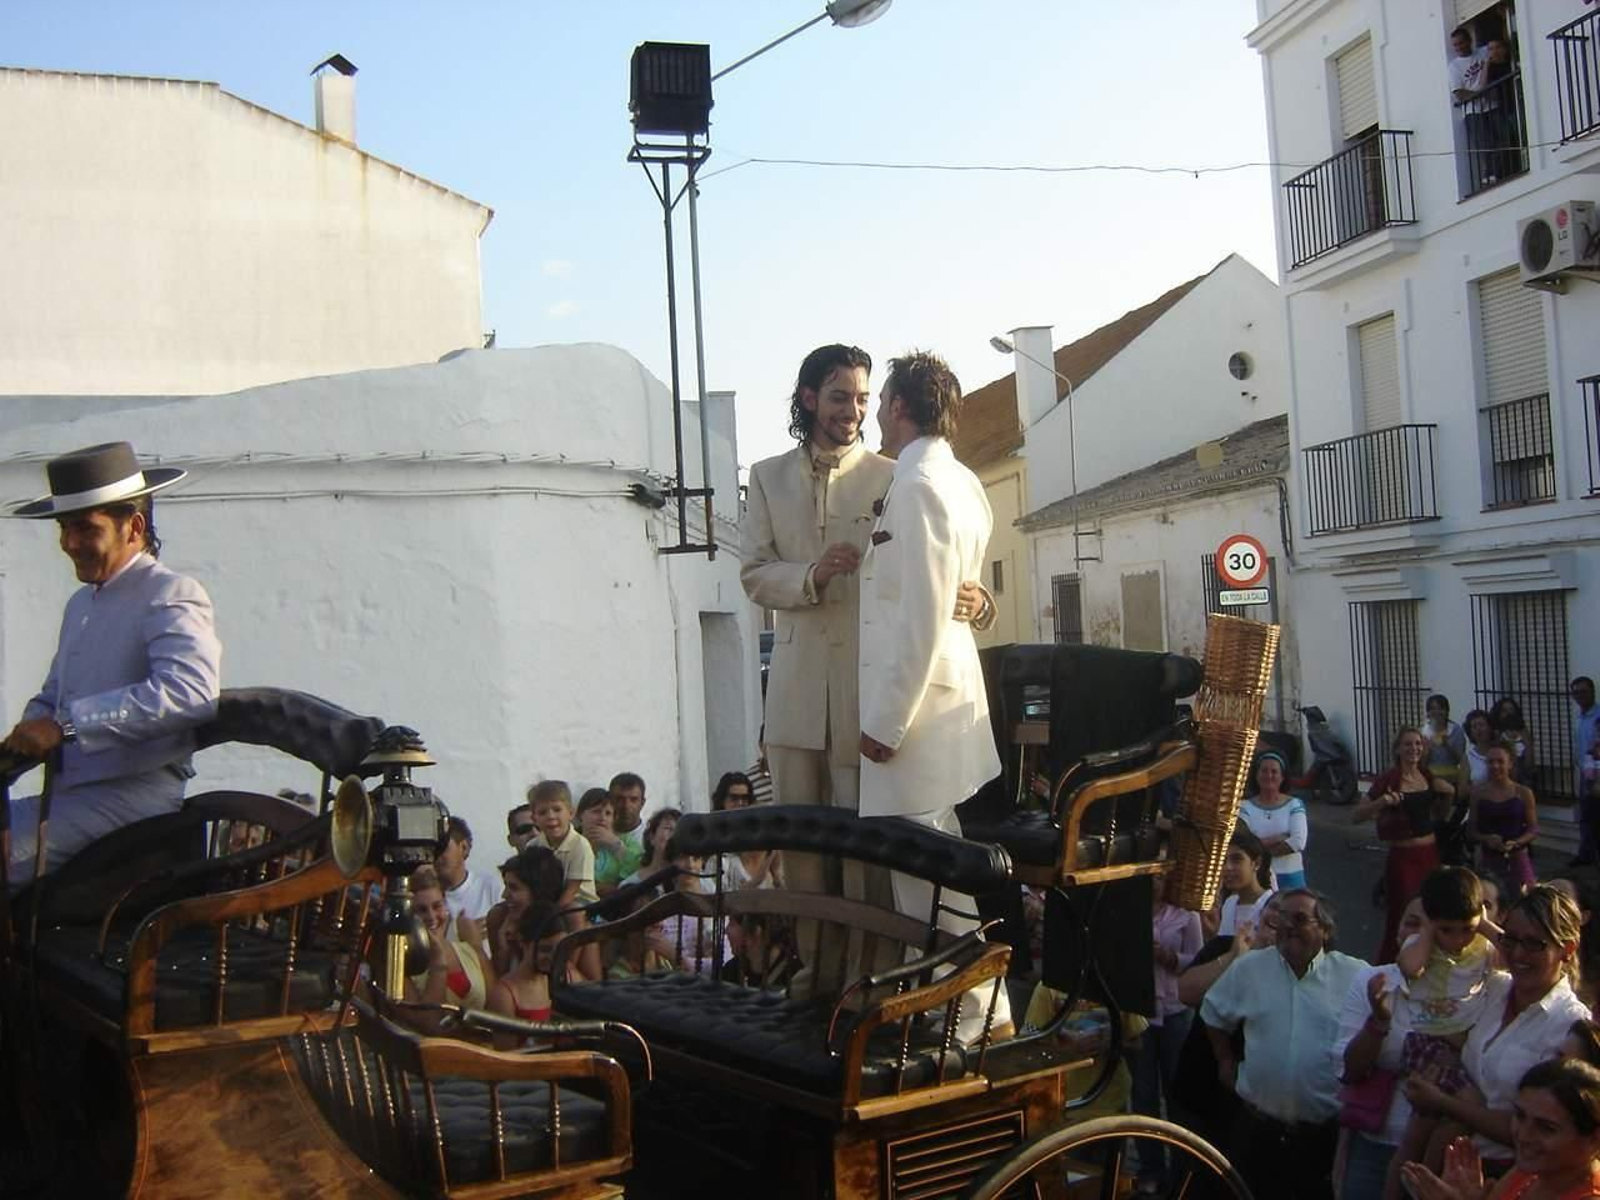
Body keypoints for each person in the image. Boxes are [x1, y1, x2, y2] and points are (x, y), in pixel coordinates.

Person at [739, 344, 989, 995]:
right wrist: (811, 575)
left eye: (861, 397)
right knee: (803, 851)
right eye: (839, 397)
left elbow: (944, 574)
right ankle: (816, 981)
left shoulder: (898, 474)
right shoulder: (765, 477)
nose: (852, 410)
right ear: (807, 399)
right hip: (795, 696)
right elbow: (753, 574)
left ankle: (869, 983)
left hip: (868, 695)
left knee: (868, 854)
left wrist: (980, 600)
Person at [856, 350, 1012, 1045]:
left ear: (897, 406)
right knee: (931, 861)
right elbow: (960, 592)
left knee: (925, 869)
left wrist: (887, 721)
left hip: (920, 710)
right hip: (942, 698)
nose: (875, 416)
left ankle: (973, 1011)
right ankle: (970, 1006)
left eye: (881, 402)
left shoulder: (919, 484)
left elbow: (922, 613)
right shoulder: (962, 479)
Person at [2, 441, 223, 885]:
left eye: (85, 528)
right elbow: (54, 695)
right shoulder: (81, 604)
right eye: (64, 528)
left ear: (133, 526)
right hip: (70, 798)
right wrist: (24, 736)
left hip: (131, 801)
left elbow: (190, 693)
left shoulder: (171, 592)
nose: (69, 543)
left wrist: (65, 727)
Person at [1402, 886, 1590, 1176]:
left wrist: (1445, 1104)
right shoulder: (1491, 987)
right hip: (1445, 1160)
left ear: (1567, 950)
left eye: (1534, 944)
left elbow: (1544, 1130)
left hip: (1507, 1175)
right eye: (1510, 939)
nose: (1518, 953)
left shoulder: (1571, 1026)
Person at [1201, 889, 1370, 1200]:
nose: (1289, 926)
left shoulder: (1354, 975)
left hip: (1321, 1137)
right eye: (1282, 919)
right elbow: (1212, 1012)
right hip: (1258, 1130)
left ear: (1325, 929)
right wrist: (1224, 1060)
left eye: (1300, 919)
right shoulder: (1251, 968)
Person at [1383, 868, 1500, 1200]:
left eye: (1467, 929)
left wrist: (1484, 925)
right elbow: (1410, 967)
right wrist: (1429, 931)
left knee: (1438, 1121)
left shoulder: (1481, 947)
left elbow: (1509, 953)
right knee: (1466, 1108)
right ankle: (1420, 1182)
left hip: (1459, 1042)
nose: (1459, 939)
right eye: (1448, 930)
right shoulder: (1421, 945)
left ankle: (1422, 1178)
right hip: (1427, 1040)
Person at [1335, 896, 1430, 1199]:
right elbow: (1347, 1070)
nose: (1420, 936)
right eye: (1412, 924)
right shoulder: (1372, 980)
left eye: (1433, 928)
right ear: (1398, 931)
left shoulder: (1473, 991)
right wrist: (1378, 1022)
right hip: (1373, 1142)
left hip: (1436, 1152)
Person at [1400, 1059, 1600, 1200]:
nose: (1524, 1136)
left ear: (1594, 1139)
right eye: (1520, 1116)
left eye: (1547, 1128)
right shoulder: (1531, 1171)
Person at [1355, 726, 1458, 963]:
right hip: (1403, 859)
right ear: (1398, 749)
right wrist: (1382, 802)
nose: (1414, 749)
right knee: (1403, 915)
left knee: (1433, 911)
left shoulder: (1427, 777)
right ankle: (1394, 964)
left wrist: (1449, 795)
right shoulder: (1389, 779)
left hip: (1429, 855)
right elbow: (1357, 815)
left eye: (1418, 744)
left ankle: (1428, 962)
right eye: (1408, 744)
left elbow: (1439, 816)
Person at [1132, 872, 1203, 1192]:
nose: (1155, 884)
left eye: (1161, 878)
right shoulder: (1129, 913)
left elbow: (1197, 961)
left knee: (1178, 1093)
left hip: (1176, 1011)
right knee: (1143, 1093)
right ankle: (1151, 1168)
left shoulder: (1186, 916)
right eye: (1150, 877)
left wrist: (1168, 957)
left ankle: (1183, 1170)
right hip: (1141, 1013)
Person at [528, 780, 601, 981]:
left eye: (557, 809)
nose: (551, 816)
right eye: (543, 812)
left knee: (575, 915)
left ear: (571, 812)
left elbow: (572, 889)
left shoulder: (580, 845)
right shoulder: (533, 846)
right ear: (534, 818)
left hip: (583, 904)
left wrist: (550, 913)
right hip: (548, 901)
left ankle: (567, 963)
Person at [405, 865, 494, 1018]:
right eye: (422, 910)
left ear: (446, 907)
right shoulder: (403, 964)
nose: (431, 916)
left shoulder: (469, 950)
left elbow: (496, 1008)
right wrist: (438, 962)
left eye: (437, 906)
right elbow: (429, 1022)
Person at [487, 902, 563, 1050]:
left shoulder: (568, 978)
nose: (553, 958)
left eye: (559, 949)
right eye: (545, 949)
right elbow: (506, 1056)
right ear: (523, 942)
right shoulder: (504, 995)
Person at [1470, 743, 1540, 891]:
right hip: (1488, 861)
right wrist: (1486, 838)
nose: (1495, 766)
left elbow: (1533, 829)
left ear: (1510, 764)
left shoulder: (1523, 792)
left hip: (1517, 858)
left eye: (1500, 761)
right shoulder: (1477, 794)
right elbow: (1471, 831)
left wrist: (1516, 842)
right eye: (1490, 762)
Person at [486, 848, 563, 976]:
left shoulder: (567, 920)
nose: (504, 895)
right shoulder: (499, 917)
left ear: (538, 890)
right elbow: (496, 979)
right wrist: (504, 949)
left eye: (514, 888)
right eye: (505, 886)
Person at [1239, 750, 1310, 889]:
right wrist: (1278, 838)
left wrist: (1259, 852)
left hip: (1290, 878)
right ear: (1256, 775)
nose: (1269, 775)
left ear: (1282, 777)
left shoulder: (1294, 804)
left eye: (1274, 771)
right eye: (1264, 771)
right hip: (1257, 879)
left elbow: (1298, 842)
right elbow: (1244, 845)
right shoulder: (1244, 807)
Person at [711, 771, 782, 892]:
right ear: (722, 801)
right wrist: (758, 879)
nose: (740, 804)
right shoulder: (717, 851)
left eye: (745, 798)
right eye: (734, 798)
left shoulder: (769, 847)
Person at [433, 816, 500, 940]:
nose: (436, 856)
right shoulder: (423, 896)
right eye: (432, 848)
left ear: (464, 847)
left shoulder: (490, 887)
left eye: (442, 848)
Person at [583, 772, 646, 886]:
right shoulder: (583, 834)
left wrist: (615, 844)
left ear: (642, 803)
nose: (626, 806)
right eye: (619, 799)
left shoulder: (650, 837)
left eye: (633, 800)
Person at [1449, 26, 1493, 186]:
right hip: (1473, 112)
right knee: (1485, 144)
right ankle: (1489, 175)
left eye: (1461, 43)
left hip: (1493, 105)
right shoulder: (1454, 67)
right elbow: (1459, 94)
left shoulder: (1483, 53)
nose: (1458, 47)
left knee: (1500, 139)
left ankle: (1500, 170)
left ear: (1469, 41)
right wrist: (1480, 93)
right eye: (1455, 45)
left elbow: (1497, 52)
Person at [1570, 678, 1599, 868]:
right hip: (1585, 773)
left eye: (1583, 691)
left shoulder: (1598, 716)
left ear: (1592, 692)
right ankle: (1586, 854)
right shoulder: (1579, 717)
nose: (1580, 696)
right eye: (1576, 693)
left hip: (1597, 774)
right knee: (1586, 816)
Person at [1428, 695, 1471, 790]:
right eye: (1433, 708)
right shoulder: (1424, 731)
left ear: (1447, 711)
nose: (1437, 712)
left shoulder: (1456, 730)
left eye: (1441, 708)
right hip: (1430, 779)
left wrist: (1448, 745)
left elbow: (1461, 758)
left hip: (1452, 778)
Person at [1491, 699, 1536, 785]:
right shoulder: (1496, 732)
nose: (1509, 713)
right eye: (1504, 710)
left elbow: (1529, 748)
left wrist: (1528, 769)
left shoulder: (1522, 730)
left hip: (1522, 769)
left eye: (1511, 709)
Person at [1467, 711, 1500, 788]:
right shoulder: (1468, 757)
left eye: (1481, 725)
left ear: (1490, 728)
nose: (1478, 729)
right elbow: (1463, 788)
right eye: (1474, 726)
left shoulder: (1502, 752)